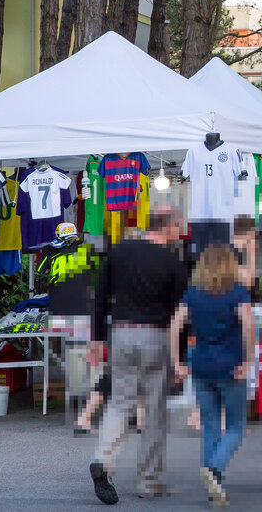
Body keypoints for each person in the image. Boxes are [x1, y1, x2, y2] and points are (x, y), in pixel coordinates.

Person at [88, 206, 187, 505]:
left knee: (120, 403)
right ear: (169, 227)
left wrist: (96, 338)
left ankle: (103, 462)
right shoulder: (173, 263)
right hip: (156, 336)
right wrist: (179, 358)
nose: (179, 232)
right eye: (177, 226)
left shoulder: (119, 252)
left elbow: (101, 295)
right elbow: (180, 316)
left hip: (121, 333)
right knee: (155, 410)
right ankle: (148, 481)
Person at [169, 244, 254, 507]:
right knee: (236, 426)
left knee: (210, 426)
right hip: (231, 367)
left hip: (201, 367)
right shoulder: (237, 292)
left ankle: (212, 485)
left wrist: (177, 362)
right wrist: (249, 359)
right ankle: (215, 470)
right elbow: (248, 324)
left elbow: (175, 325)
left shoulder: (193, 294)